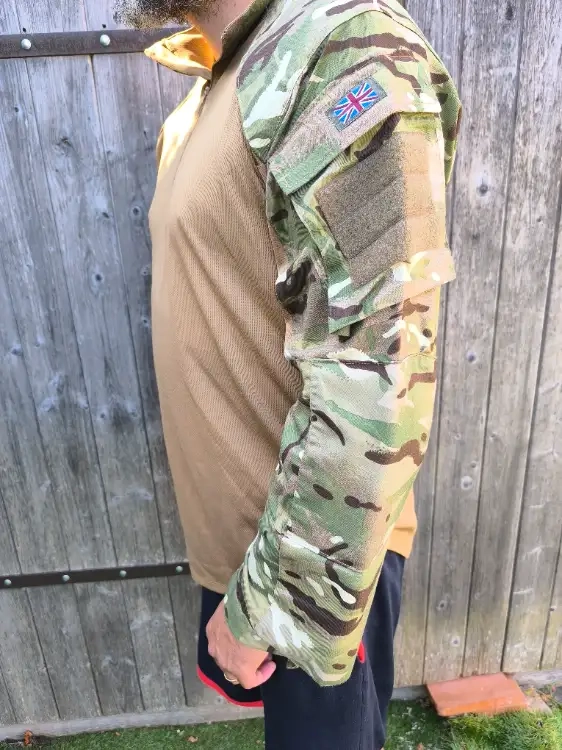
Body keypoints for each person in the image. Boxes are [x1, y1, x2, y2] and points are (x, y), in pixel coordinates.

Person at [116, 0, 461, 747]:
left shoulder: (340, 48)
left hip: (314, 564)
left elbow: (380, 373)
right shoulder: (217, 86)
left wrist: (276, 607)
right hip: (251, 548)